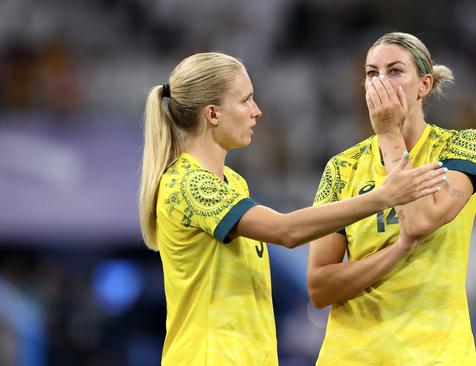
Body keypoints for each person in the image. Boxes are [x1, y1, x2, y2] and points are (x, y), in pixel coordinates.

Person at [137, 52, 446, 365]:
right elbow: (286, 231)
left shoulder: (232, 182)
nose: (256, 112)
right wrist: (383, 196)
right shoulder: (187, 184)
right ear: (213, 114)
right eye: (245, 101)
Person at [307, 32, 476, 365]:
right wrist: (400, 247)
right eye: (371, 73)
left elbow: (419, 222)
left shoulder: (461, 146)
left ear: (425, 85)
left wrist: (389, 133)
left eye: (394, 71)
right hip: (351, 355)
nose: (381, 82)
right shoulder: (342, 168)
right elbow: (320, 287)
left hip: (434, 354)